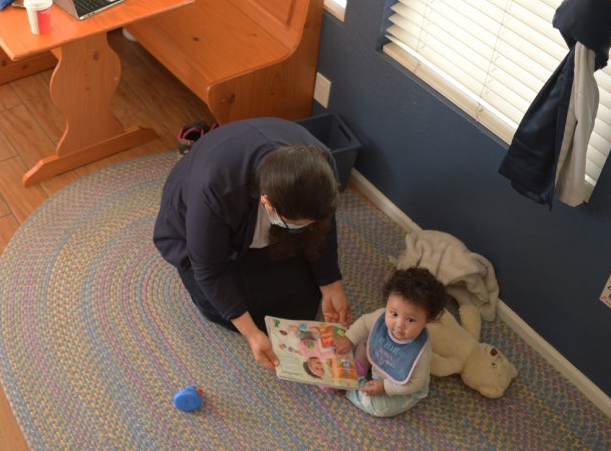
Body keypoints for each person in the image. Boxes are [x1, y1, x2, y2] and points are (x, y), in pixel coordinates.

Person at [153, 117, 351, 371]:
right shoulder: (214, 190)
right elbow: (209, 270)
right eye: (295, 223)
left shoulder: (322, 166)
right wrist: (252, 335)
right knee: (242, 313)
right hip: (200, 228)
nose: (304, 228)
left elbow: (324, 226)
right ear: (267, 203)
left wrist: (331, 283)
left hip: (260, 208)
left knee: (302, 303)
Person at [333, 266, 448, 417]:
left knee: (380, 408)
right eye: (393, 313)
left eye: (411, 320)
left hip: (402, 386)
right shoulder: (380, 317)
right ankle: (359, 367)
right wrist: (349, 338)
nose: (399, 324)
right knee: (366, 339)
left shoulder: (420, 353)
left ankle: (351, 386)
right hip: (379, 364)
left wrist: (385, 387)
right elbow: (364, 323)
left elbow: (414, 384)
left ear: (428, 320)